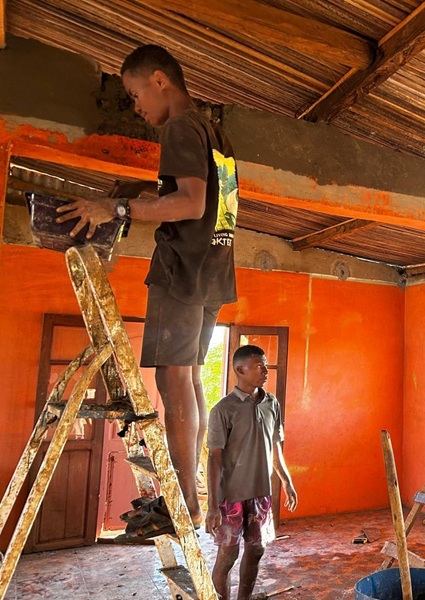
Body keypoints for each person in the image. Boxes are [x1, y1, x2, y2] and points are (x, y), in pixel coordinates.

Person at [56, 44, 239, 533]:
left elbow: (191, 204)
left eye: (136, 93)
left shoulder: (180, 126)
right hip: (214, 269)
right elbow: (209, 203)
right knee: (191, 380)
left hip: (182, 269)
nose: (137, 106)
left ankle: (182, 504)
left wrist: (115, 209)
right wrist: (144, 197)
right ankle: (193, 499)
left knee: (172, 382)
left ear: (160, 80)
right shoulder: (212, 130)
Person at [206, 345, 297, 600]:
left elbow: (276, 446)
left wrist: (286, 481)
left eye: (266, 365)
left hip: (261, 494)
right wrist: (213, 506)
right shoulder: (223, 410)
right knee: (228, 554)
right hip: (231, 497)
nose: (266, 371)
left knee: (256, 551)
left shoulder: (272, 404)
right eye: (260, 366)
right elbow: (213, 459)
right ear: (240, 369)